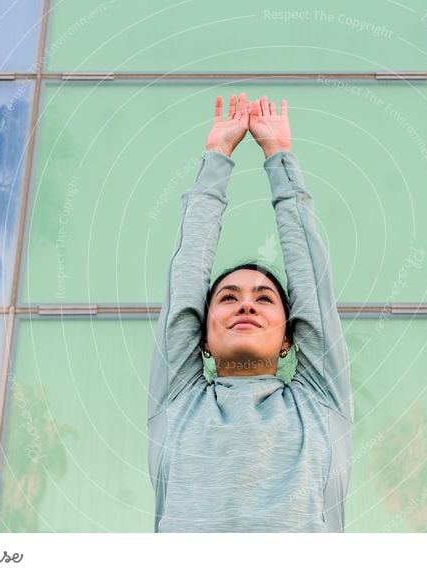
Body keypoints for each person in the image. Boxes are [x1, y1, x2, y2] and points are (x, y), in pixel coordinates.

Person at [147, 92, 353, 532]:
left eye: (264, 298)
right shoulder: (178, 403)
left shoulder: (319, 403)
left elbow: (312, 286)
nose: (245, 303)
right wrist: (216, 156)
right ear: (201, 336)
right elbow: (185, 281)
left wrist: (279, 157)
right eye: (227, 297)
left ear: (289, 339)